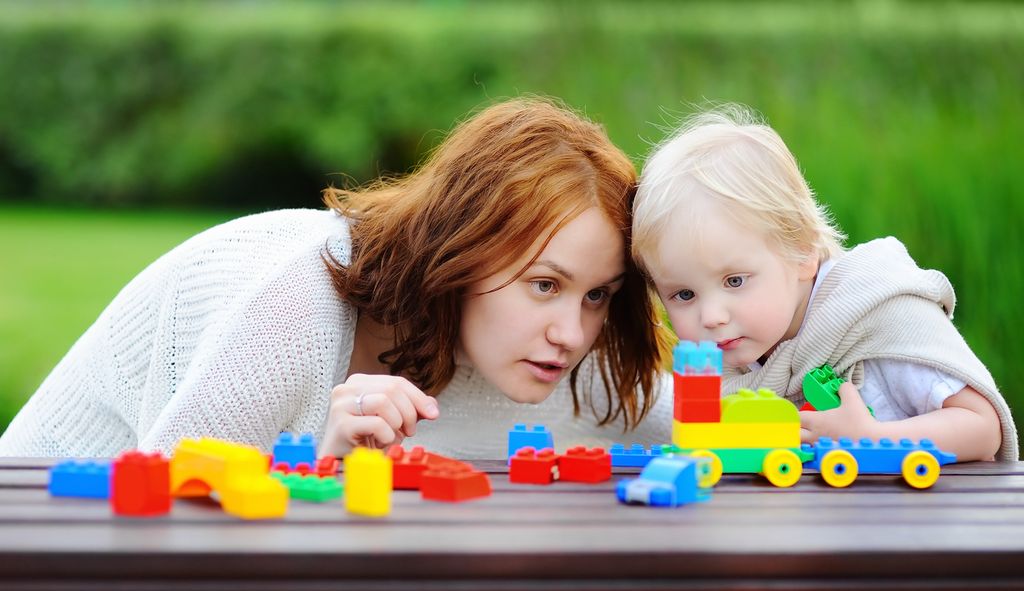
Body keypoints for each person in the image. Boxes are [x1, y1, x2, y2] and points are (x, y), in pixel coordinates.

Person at [0, 97, 677, 460]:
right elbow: (162, 511)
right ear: (462, 253)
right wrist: (322, 463)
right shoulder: (295, 308)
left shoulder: (551, 350)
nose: (571, 331)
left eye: (596, 295)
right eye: (543, 284)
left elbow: (694, 423)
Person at [631, 104, 1017, 461]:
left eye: (734, 280)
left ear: (801, 253)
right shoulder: (733, 362)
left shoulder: (875, 313)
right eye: (684, 294)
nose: (711, 316)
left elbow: (983, 428)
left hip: (927, 522)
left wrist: (872, 435)